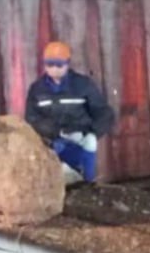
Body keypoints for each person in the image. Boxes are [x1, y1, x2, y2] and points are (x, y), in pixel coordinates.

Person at [24, 41, 116, 182]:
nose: (55, 68)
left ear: (67, 63)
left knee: (89, 149)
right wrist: (55, 133)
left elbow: (103, 111)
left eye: (59, 64)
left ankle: (87, 184)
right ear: (44, 64)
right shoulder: (37, 89)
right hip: (52, 142)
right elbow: (32, 118)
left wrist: (92, 133)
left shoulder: (83, 85)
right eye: (50, 64)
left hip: (80, 138)